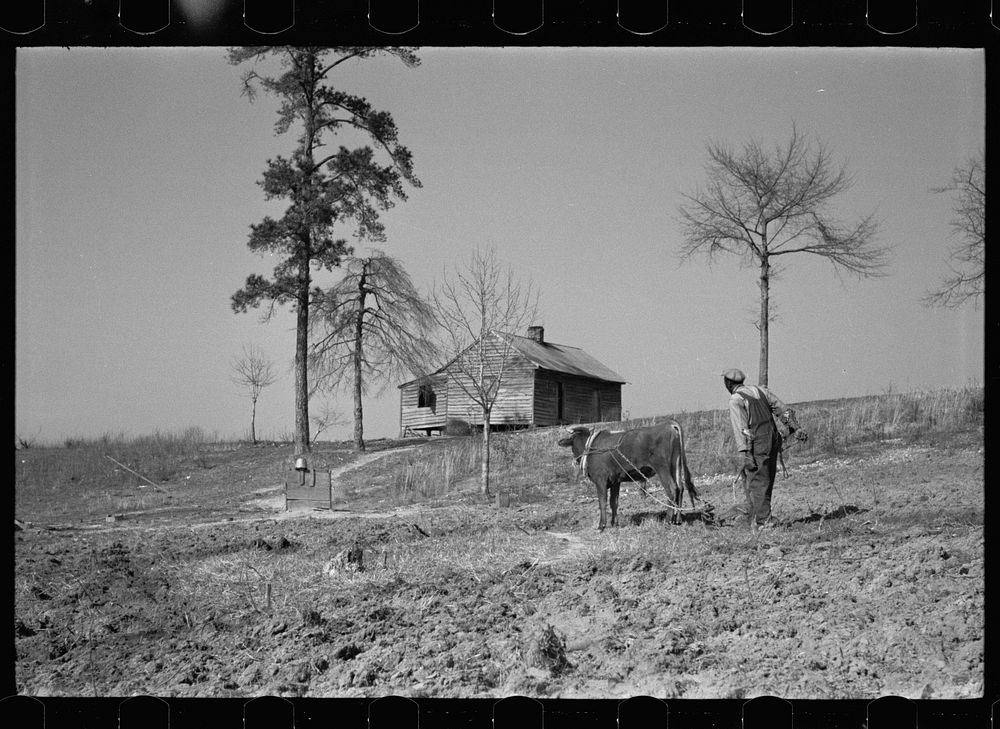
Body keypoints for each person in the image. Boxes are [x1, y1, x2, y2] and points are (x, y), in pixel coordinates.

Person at [722, 368, 808, 530]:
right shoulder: (760, 390)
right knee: (767, 479)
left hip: (758, 443)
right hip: (773, 440)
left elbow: (742, 429)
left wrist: (745, 452)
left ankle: (763, 521)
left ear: (728, 383)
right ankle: (762, 515)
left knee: (757, 482)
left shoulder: (735, 399)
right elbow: (783, 410)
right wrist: (796, 428)